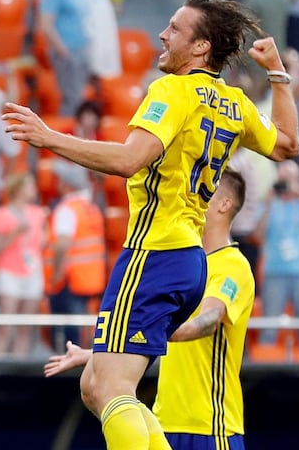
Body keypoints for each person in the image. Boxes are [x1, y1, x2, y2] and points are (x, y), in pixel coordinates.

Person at [2, 0, 299, 448]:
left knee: (109, 388)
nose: (163, 34)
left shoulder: (172, 90)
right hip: (188, 262)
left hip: (153, 251)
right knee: (94, 383)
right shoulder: (234, 102)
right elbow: (286, 145)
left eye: (176, 28)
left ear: (201, 47)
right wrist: (278, 75)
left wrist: (49, 137)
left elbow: (129, 159)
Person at [44, 169, 255, 450]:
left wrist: (141, 334)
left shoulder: (233, 266)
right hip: (162, 423)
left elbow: (209, 320)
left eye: (204, 192)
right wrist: (104, 351)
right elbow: (152, 331)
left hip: (209, 427)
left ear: (224, 204)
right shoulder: (184, 267)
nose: (191, 198)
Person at [254, 159, 299, 362]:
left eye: (290, 179)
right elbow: (257, 236)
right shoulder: (268, 204)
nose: (287, 184)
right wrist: (267, 205)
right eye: (283, 180)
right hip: (274, 272)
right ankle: (265, 366)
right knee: (269, 327)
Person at [44, 160, 106, 352]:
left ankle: (70, 372)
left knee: (71, 332)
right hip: (91, 278)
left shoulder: (67, 210)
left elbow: (63, 244)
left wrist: (56, 275)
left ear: (66, 184)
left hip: (69, 281)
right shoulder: (91, 208)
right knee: (84, 328)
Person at [0, 171, 47, 355]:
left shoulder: (38, 213)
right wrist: (15, 233)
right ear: (19, 189)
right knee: (6, 325)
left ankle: (18, 366)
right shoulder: (2, 214)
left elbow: (42, 241)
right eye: (29, 185)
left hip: (32, 271)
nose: (33, 189)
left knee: (25, 327)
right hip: (9, 271)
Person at [38, 0, 92, 117]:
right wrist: (62, 49)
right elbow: (45, 23)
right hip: (67, 50)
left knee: (78, 96)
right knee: (72, 98)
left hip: (80, 47)